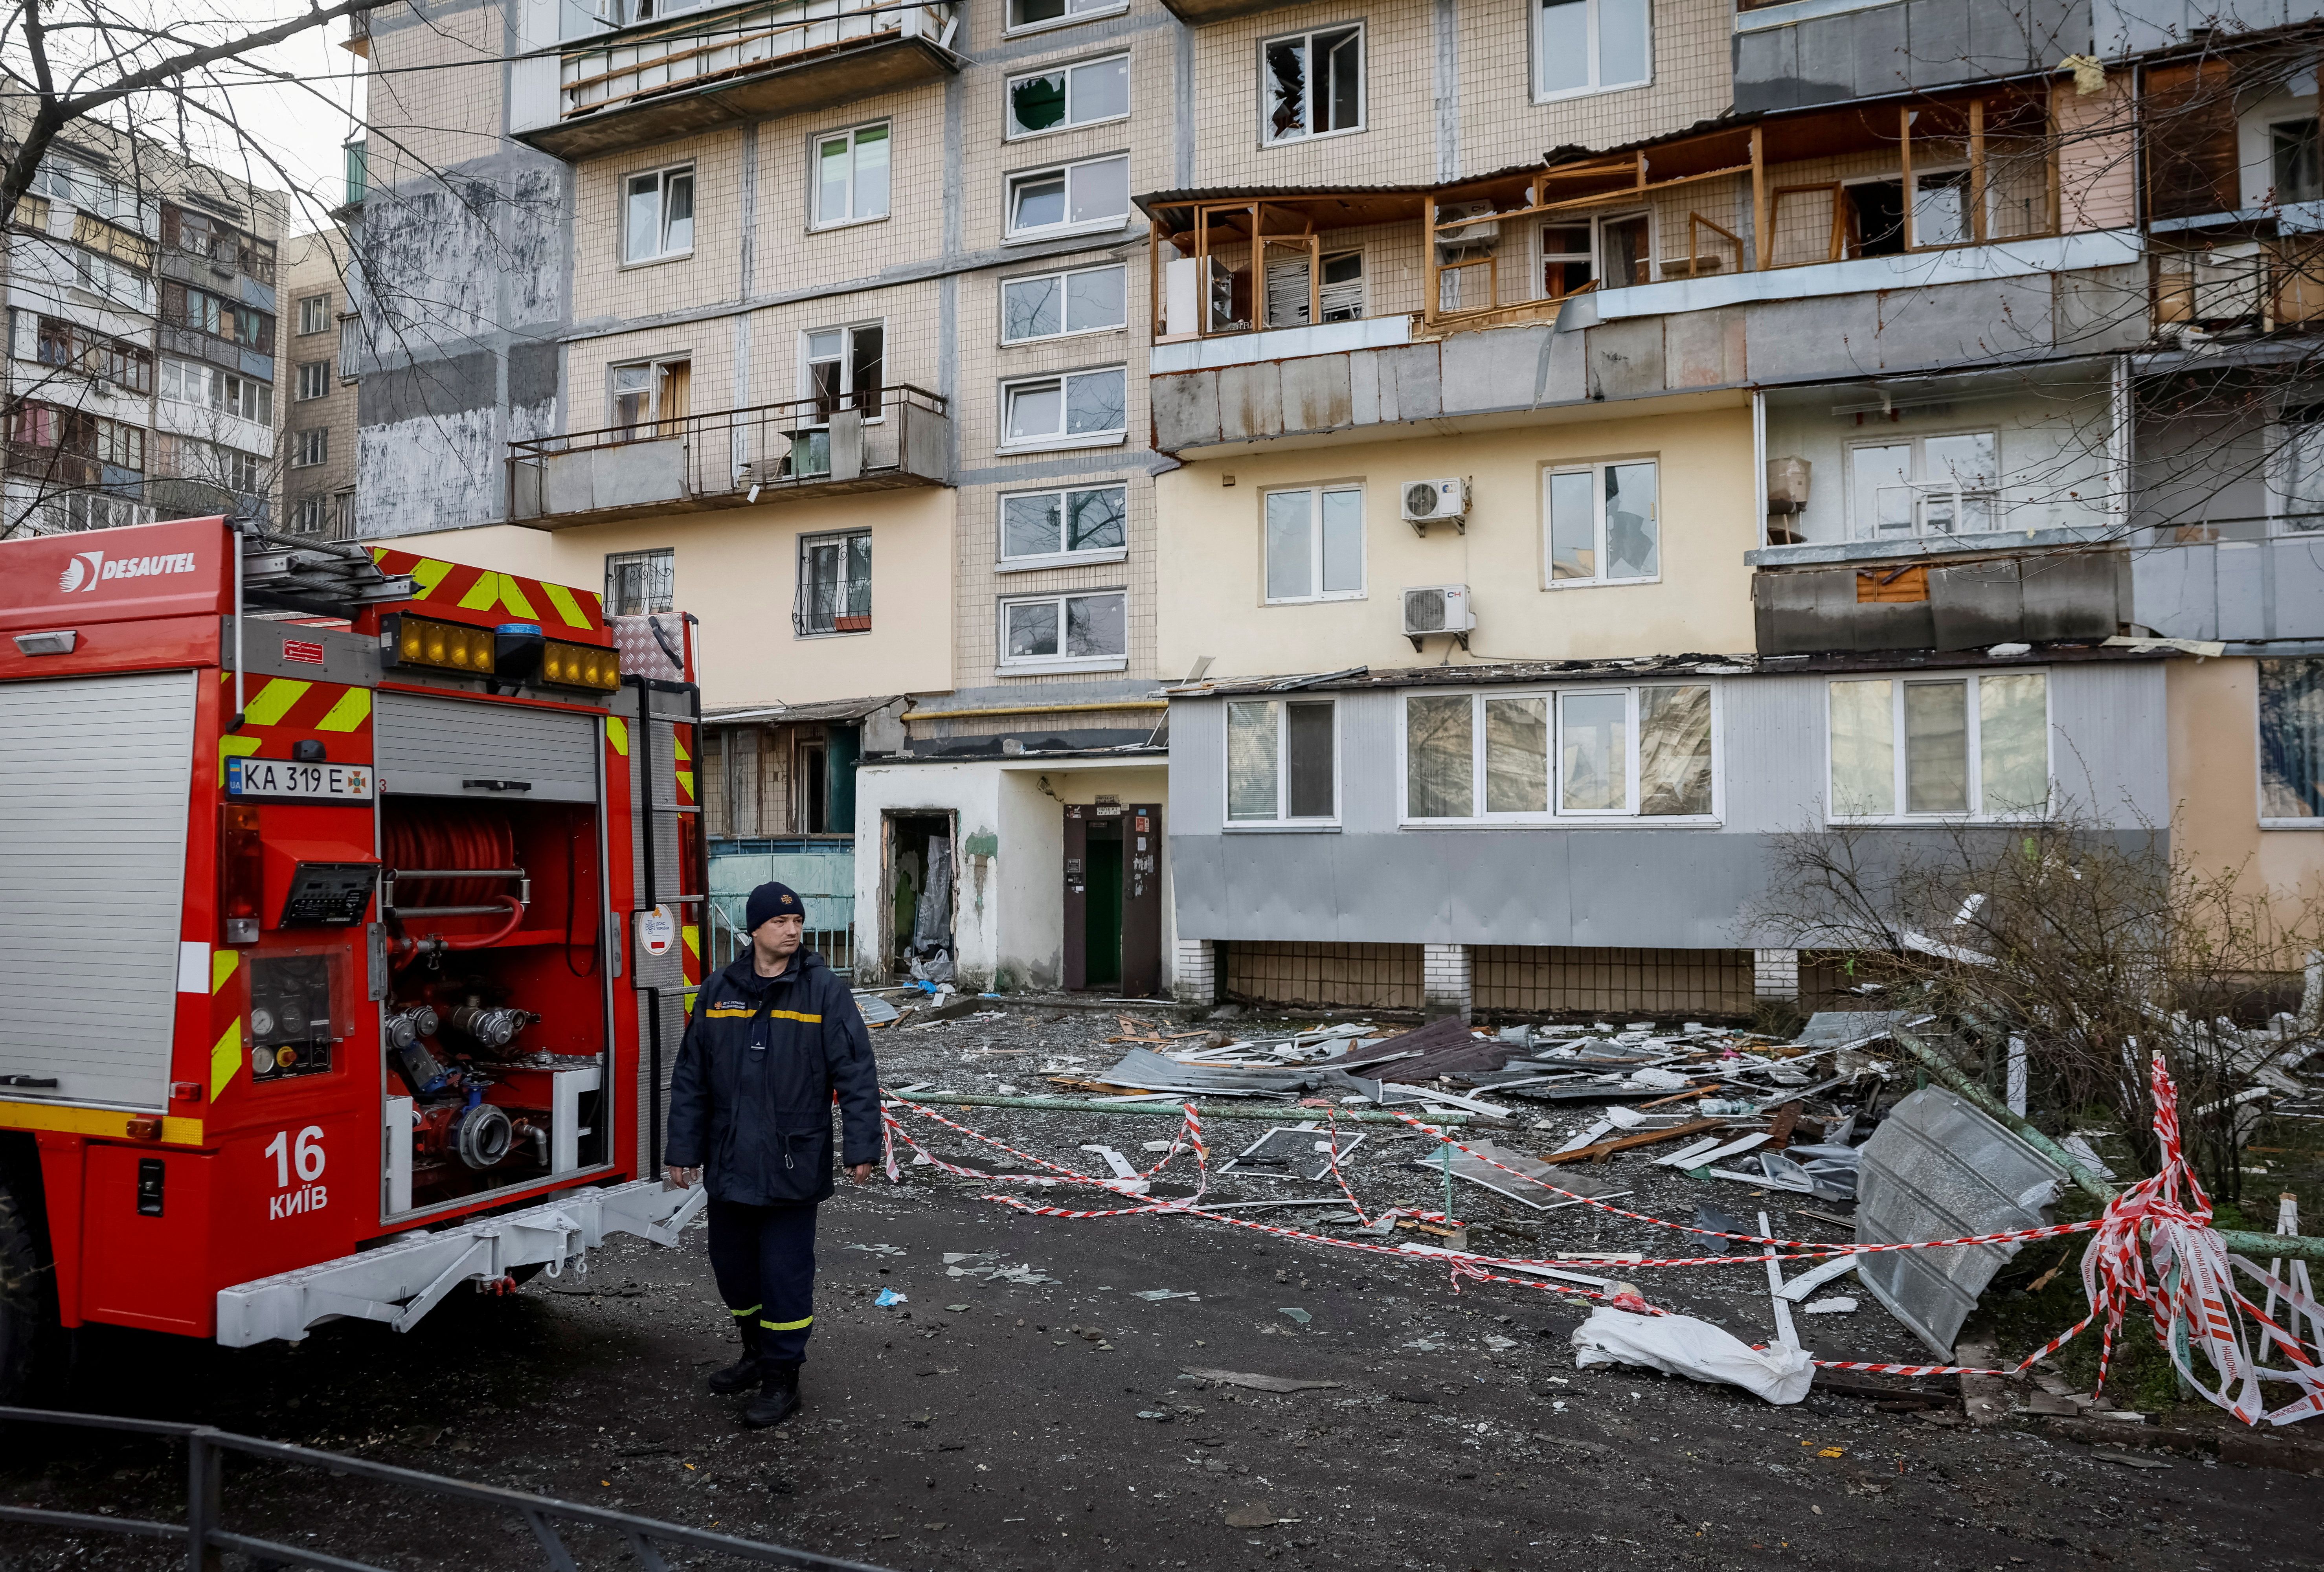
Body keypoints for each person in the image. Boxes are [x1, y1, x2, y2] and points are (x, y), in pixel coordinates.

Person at [665, 880, 881, 1427]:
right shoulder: (719, 990)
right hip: (731, 1161)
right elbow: (691, 1078)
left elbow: (855, 1073)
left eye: (798, 923)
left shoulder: (823, 991)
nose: (793, 931)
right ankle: (756, 1353)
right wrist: (683, 1150)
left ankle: (784, 1377)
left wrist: (862, 1147)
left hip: (792, 1161)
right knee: (733, 1269)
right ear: (755, 929)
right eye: (781, 923)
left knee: (783, 1274)